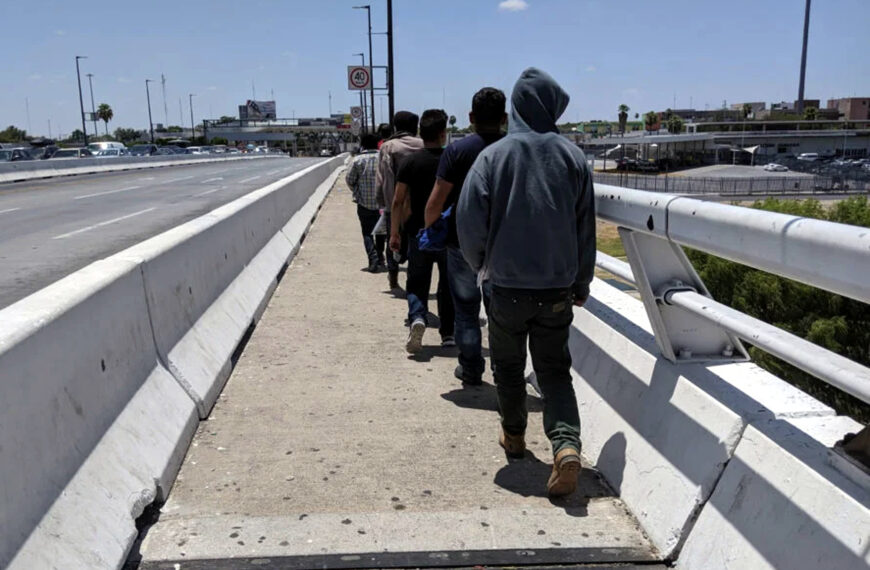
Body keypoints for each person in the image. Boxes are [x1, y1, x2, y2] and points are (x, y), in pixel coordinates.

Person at [456, 68, 596, 497]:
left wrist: (482, 264)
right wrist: (582, 280)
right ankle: (566, 445)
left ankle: (514, 438)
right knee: (554, 370)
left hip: (505, 287)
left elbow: (469, 221)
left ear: (515, 108)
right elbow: (585, 227)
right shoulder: (573, 157)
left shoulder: (494, 156)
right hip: (556, 288)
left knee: (508, 365)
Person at [424, 87, 506, 386]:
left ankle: (471, 369)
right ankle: (502, 371)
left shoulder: (456, 152)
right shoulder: (512, 149)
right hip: (503, 246)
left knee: (466, 311)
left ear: (471, 117)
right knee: (500, 316)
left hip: (461, 243)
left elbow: (435, 202)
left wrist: (432, 234)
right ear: (504, 118)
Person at [390, 109, 455, 353]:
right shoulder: (452, 160)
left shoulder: (410, 162)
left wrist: (395, 233)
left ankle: (417, 317)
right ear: (442, 134)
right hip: (448, 234)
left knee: (417, 281)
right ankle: (448, 333)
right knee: (448, 285)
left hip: (418, 232)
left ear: (421, 133)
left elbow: (397, 200)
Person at [376, 111, 423, 290]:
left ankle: (393, 276)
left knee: (393, 240)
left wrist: (383, 203)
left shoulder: (388, 147)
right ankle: (414, 276)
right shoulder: (424, 144)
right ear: (415, 126)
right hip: (420, 204)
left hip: (395, 202)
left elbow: (383, 178)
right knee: (416, 241)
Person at [345, 133, 385, 272]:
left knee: (367, 233)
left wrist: (357, 190)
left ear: (363, 144)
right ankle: (380, 257)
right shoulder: (384, 158)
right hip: (382, 203)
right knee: (381, 232)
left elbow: (349, 180)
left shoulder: (357, 160)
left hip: (364, 203)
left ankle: (372, 259)